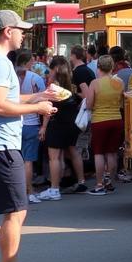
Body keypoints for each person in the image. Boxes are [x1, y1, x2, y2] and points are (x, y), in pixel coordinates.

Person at [0, 11, 58, 262]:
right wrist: (38, 108)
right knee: (16, 212)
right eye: (20, 30)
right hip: (0, 146)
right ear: (8, 31)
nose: (24, 34)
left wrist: (39, 97)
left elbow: (3, 100)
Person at [38, 57, 87, 200]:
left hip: (56, 123)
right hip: (72, 123)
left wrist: (43, 127)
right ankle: (81, 181)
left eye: (50, 69)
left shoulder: (53, 88)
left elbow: (49, 108)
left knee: (55, 158)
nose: (48, 72)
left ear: (55, 70)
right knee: (73, 151)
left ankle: (54, 189)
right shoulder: (72, 84)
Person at [85, 54, 124, 195]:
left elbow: (89, 104)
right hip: (116, 119)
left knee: (99, 153)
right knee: (112, 152)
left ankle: (99, 184)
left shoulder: (95, 83)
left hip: (100, 120)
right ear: (112, 67)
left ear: (98, 67)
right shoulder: (119, 82)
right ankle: (109, 182)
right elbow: (121, 101)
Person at [15, 51, 45, 204]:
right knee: (28, 160)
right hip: (32, 122)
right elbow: (45, 99)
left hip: (14, 122)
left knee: (15, 160)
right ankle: (29, 192)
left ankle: (16, 190)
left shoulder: (11, 76)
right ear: (29, 61)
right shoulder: (36, 79)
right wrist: (44, 126)